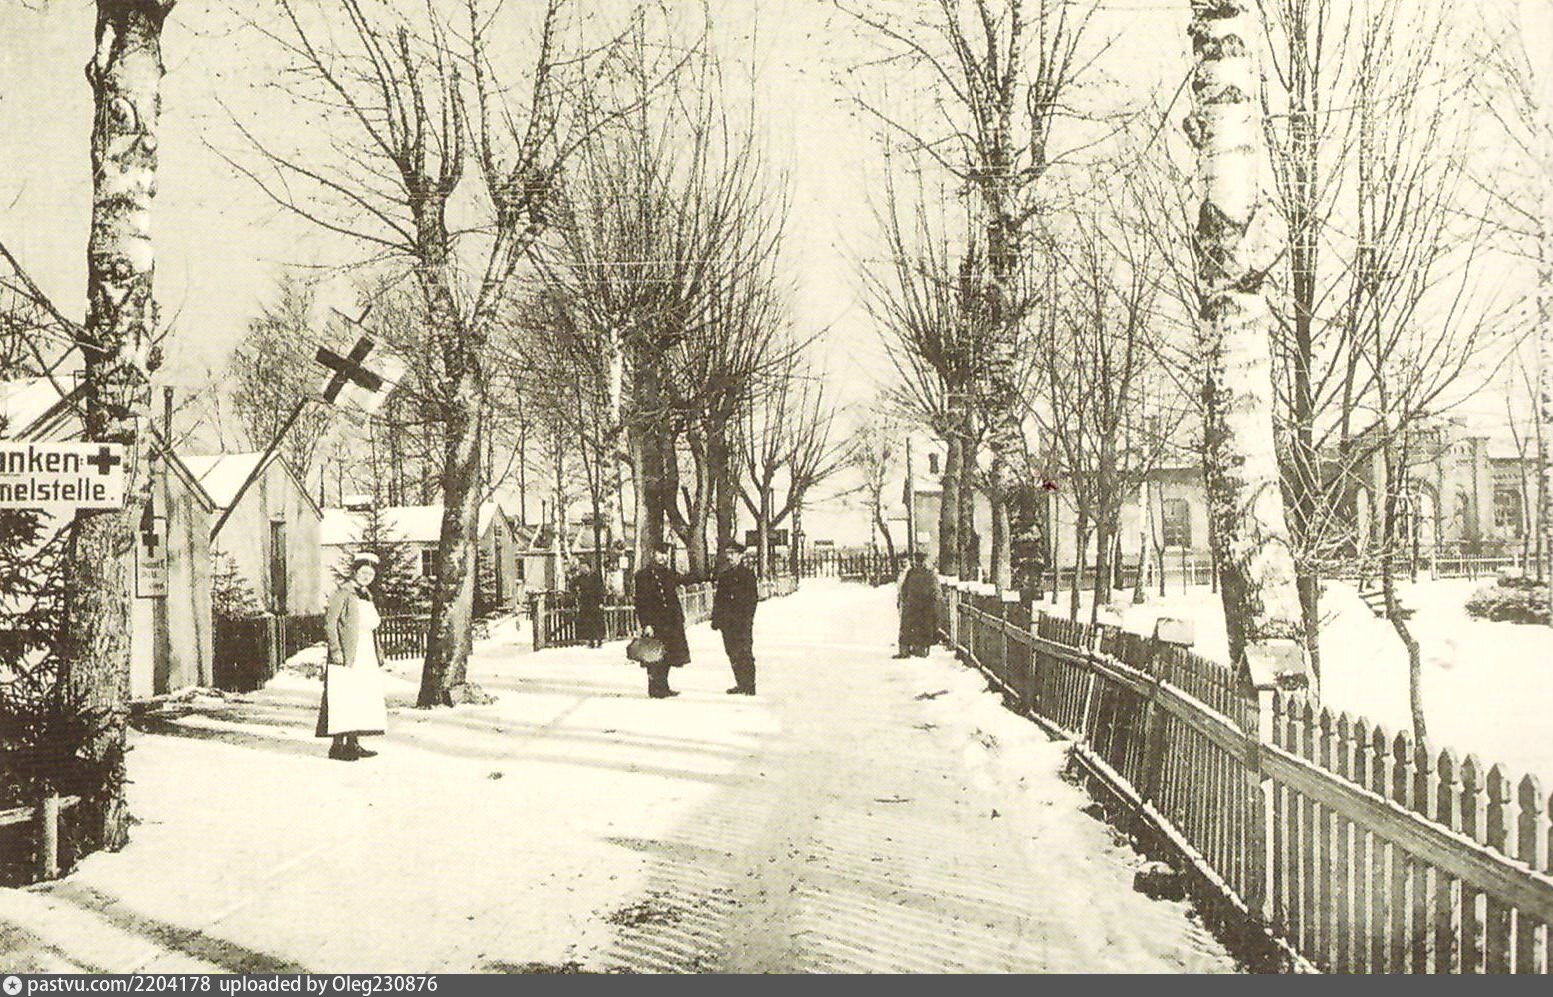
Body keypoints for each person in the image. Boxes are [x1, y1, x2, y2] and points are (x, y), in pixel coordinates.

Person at [316, 552, 388, 760]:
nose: (366, 577)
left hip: (365, 654)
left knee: (360, 696)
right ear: (355, 572)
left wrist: (378, 651)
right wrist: (336, 651)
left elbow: (371, 628)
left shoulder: (366, 595)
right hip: (347, 654)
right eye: (363, 572)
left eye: (370, 574)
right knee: (343, 697)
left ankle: (353, 743)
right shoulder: (343, 593)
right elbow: (330, 624)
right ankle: (337, 747)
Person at [632, 541, 689, 698]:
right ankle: (654, 688)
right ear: (653, 554)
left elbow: (673, 597)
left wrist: (679, 618)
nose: (663, 557)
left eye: (665, 554)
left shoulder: (669, 574)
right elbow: (641, 602)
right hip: (655, 622)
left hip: (670, 621)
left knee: (668, 654)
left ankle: (664, 686)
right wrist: (647, 624)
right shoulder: (643, 575)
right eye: (660, 553)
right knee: (653, 654)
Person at [711, 541, 759, 695]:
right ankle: (740, 683)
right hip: (727, 623)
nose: (729, 557)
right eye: (728, 553)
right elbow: (719, 599)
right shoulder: (724, 576)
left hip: (742, 622)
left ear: (740, 555)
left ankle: (749, 685)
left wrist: (747, 619)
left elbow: (752, 599)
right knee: (732, 652)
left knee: (745, 652)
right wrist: (716, 619)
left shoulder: (748, 575)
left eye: (732, 553)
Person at [896, 550, 939, 658]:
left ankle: (907, 650)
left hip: (913, 605)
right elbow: (934, 591)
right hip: (924, 606)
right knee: (923, 626)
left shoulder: (911, 573)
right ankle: (921, 649)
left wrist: (904, 600)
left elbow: (904, 589)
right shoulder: (928, 573)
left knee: (909, 627)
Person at [574, 565, 607, 648]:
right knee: (588, 623)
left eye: (585, 567)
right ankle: (591, 641)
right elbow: (573, 584)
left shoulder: (595, 577)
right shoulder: (581, 578)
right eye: (582, 568)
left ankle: (599, 640)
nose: (583, 569)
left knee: (597, 622)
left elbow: (600, 589)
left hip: (595, 602)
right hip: (586, 604)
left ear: (589, 568)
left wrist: (601, 602)